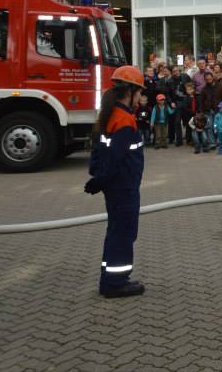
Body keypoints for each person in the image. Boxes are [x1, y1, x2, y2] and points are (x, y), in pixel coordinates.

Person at [83, 65, 147, 298]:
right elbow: (116, 158)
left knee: (116, 231)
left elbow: (100, 151)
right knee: (124, 233)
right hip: (124, 186)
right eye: (139, 92)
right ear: (130, 91)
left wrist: (98, 178)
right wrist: (100, 180)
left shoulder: (110, 115)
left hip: (116, 186)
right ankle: (116, 283)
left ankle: (109, 279)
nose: (141, 98)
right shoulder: (124, 121)